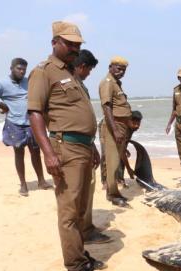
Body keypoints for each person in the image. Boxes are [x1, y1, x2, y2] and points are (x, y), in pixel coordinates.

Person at [28, 21, 108, 271]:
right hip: (65, 149)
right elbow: (36, 113)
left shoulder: (72, 74)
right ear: (55, 42)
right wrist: (48, 153)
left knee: (81, 205)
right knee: (69, 211)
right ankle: (75, 267)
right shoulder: (44, 72)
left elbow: (79, 116)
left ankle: (80, 255)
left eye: (77, 45)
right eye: (69, 43)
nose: (75, 48)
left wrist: (93, 145)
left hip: (83, 147)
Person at [0, 58, 52, 196]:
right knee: (19, 153)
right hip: (14, 124)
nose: (21, 71)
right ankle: (23, 185)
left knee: (36, 152)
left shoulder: (29, 82)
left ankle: (41, 180)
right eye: (19, 69)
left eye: (24, 69)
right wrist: (2, 105)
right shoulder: (2, 83)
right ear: (11, 68)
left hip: (31, 123)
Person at [72, 49, 112, 245]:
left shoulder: (80, 86)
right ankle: (82, 232)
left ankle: (86, 228)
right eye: (88, 70)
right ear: (81, 66)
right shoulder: (69, 84)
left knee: (89, 187)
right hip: (73, 147)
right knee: (79, 192)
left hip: (86, 144)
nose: (89, 74)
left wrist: (93, 146)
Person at [99, 56, 135, 207]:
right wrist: (115, 130)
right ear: (110, 67)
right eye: (119, 69)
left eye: (124, 70)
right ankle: (112, 194)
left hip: (121, 126)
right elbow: (106, 107)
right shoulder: (107, 83)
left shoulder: (116, 84)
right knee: (113, 162)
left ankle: (114, 192)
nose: (121, 72)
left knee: (116, 161)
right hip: (114, 126)